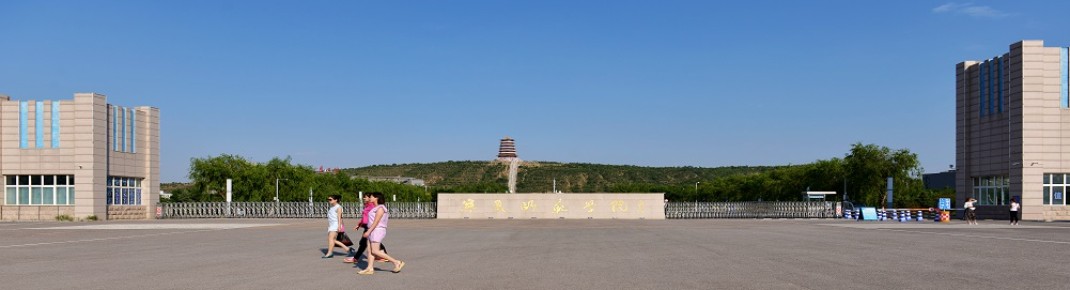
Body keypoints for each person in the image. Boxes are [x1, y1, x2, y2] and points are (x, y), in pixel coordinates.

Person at [358, 192, 405, 275]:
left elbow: (376, 222)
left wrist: (368, 231)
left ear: (376, 198)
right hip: (372, 230)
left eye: (371, 197)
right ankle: (369, 268)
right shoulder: (375, 208)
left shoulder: (381, 208)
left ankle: (396, 262)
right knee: (369, 251)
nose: (370, 198)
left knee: (375, 251)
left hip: (377, 230)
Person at [343, 193, 389, 263]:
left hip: (371, 227)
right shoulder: (367, 206)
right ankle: (373, 262)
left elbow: (375, 218)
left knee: (364, 243)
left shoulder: (374, 206)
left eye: (366, 197)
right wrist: (359, 224)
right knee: (368, 243)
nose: (364, 198)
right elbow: (364, 217)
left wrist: (369, 229)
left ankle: (356, 258)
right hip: (366, 226)